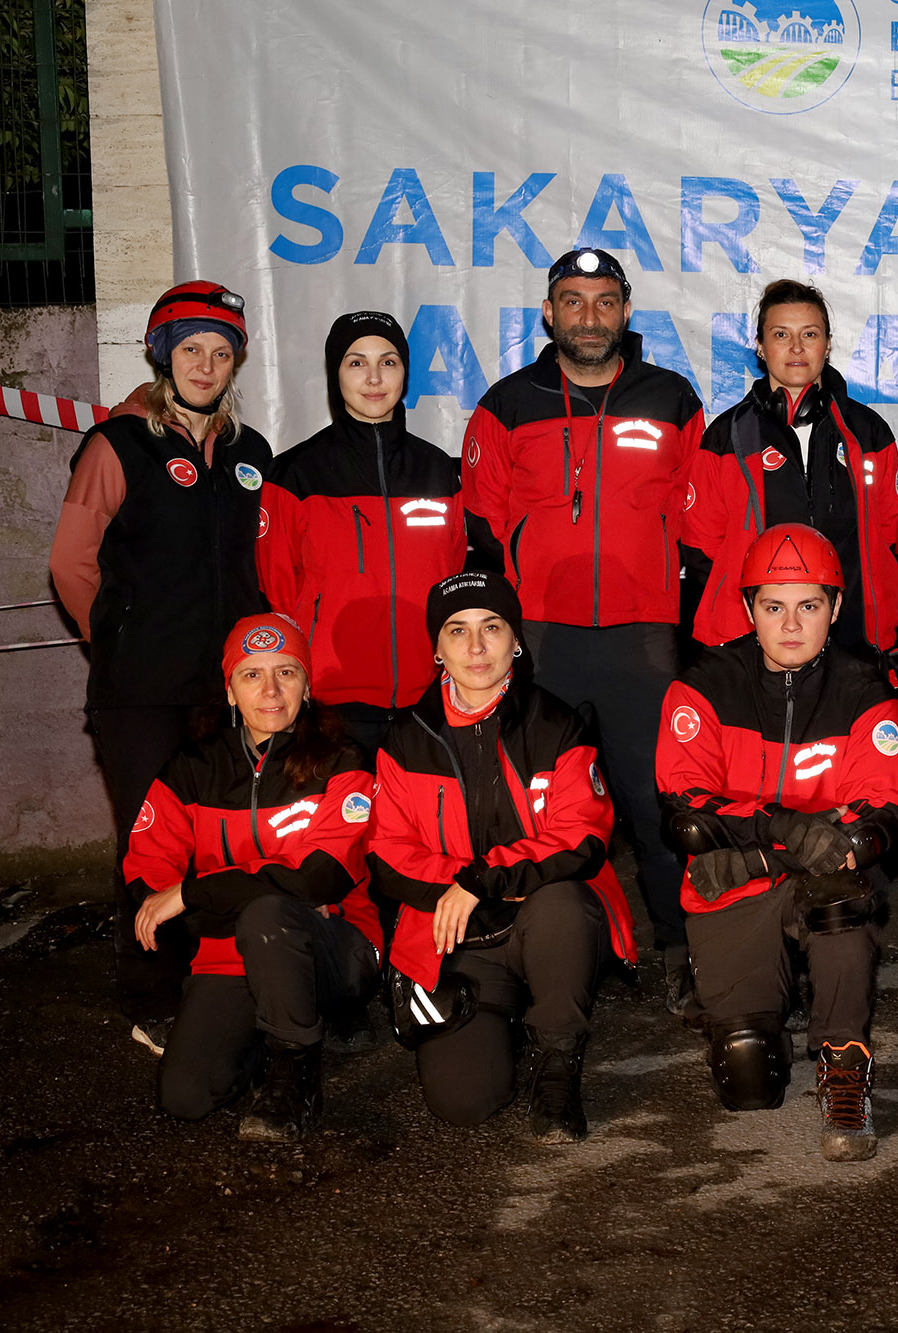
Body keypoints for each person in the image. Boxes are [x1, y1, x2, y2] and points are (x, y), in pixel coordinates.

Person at [459, 248, 704, 1012]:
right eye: (573, 300)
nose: (589, 315)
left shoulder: (672, 399)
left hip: (643, 639)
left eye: (605, 301)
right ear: (549, 313)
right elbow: (482, 522)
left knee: (657, 804)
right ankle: (530, 951)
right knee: (536, 807)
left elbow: (697, 518)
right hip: (544, 642)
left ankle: (680, 948)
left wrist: (669, 598)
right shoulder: (508, 403)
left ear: (626, 312)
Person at [50, 280, 274, 1050]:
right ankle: (151, 995)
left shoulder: (252, 453)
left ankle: (225, 981)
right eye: (191, 350)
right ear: (161, 355)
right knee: (152, 842)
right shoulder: (118, 444)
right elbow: (71, 562)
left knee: (221, 838)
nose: (206, 365)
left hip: (226, 693)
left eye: (221, 352)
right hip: (140, 691)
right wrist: (116, 641)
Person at [656, 525, 898, 1161]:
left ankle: (845, 1062)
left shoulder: (865, 690)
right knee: (747, 1082)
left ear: (836, 608)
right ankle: (741, 986)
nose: (791, 625)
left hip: (790, 876)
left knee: (842, 887)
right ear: (748, 610)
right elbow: (687, 808)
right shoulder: (705, 683)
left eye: (809, 606)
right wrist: (781, 827)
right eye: (774, 607)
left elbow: (880, 814)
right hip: (736, 888)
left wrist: (758, 851)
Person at [368, 572, 637, 1143]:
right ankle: (502, 1017)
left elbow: (582, 837)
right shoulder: (405, 738)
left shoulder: (558, 725)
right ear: (436, 649)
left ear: (516, 639)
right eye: (456, 631)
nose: (475, 647)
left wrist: (481, 880)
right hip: (455, 932)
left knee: (562, 900)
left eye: (492, 627)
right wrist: (462, 887)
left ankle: (559, 1057)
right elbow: (388, 855)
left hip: (540, 921)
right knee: (463, 1100)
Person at [124, 613, 380, 1141]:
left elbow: (316, 883)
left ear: (307, 685)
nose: (270, 690)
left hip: (334, 948)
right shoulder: (193, 767)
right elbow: (149, 873)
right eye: (251, 674)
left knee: (269, 915)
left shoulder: (344, 761)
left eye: (286, 672)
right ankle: (263, 1039)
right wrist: (182, 910)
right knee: (186, 1097)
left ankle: (297, 1074)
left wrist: (199, 892)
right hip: (230, 952)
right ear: (229, 688)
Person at [259, 310, 500, 754]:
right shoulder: (294, 473)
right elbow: (279, 587)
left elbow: (450, 577)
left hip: (426, 695)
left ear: (405, 373)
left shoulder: (437, 471)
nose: (374, 377)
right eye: (356, 362)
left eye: (388, 362)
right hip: (332, 697)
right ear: (336, 374)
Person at [681, 280, 898, 672]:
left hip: (853, 641)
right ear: (760, 346)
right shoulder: (726, 436)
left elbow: (893, 538)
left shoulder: (868, 431)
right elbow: (701, 547)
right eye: (781, 335)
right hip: (747, 645)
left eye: (809, 334)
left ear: (828, 343)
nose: (797, 348)